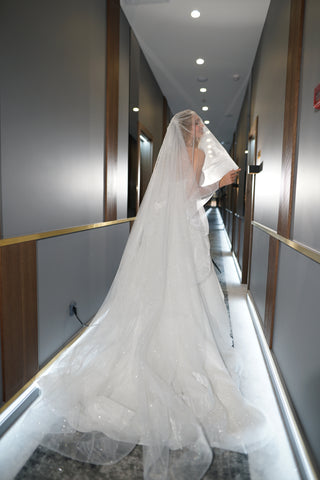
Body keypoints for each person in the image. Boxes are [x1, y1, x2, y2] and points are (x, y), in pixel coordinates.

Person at [29, 110, 269, 479]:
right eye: (202, 129)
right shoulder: (198, 155)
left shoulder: (170, 158)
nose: (205, 134)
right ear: (195, 132)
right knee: (192, 295)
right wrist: (218, 184)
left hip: (171, 236)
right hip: (187, 233)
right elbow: (191, 196)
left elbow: (171, 199)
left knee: (165, 295)